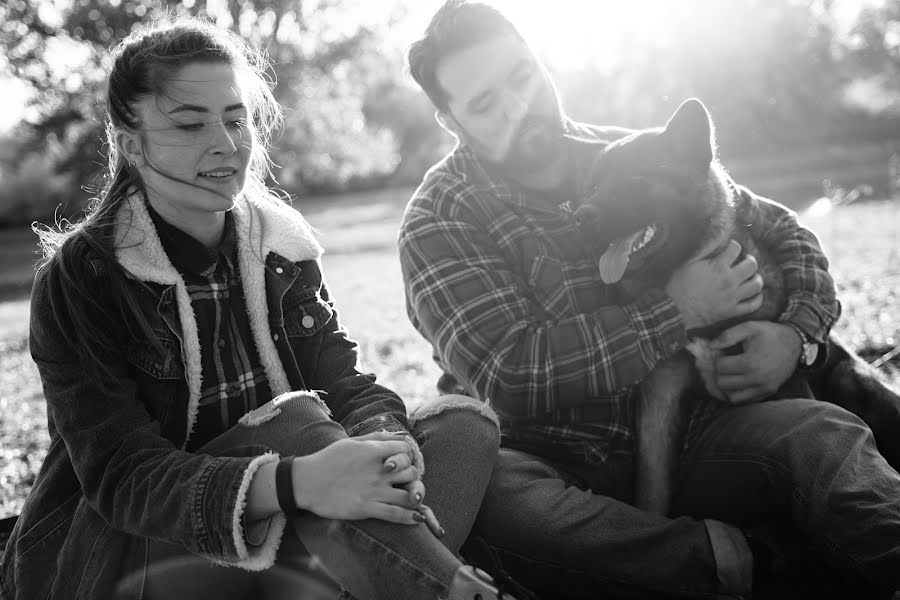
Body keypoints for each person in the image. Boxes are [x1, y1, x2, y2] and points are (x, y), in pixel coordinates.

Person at [0, 17, 517, 600]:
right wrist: (297, 481)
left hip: (291, 524)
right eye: (191, 124)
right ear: (131, 142)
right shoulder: (82, 278)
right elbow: (124, 480)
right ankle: (444, 586)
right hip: (140, 555)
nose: (225, 143)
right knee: (293, 420)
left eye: (235, 118)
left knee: (463, 426)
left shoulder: (281, 246)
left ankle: (377, 575)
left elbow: (345, 383)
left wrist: (382, 443)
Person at [399, 1, 900, 598]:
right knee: (495, 498)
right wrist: (677, 312)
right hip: (556, 462)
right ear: (451, 120)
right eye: (485, 104)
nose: (520, 106)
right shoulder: (439, 218)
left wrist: (797, 336)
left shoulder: (627, 150)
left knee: (819, 434)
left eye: (522, 75)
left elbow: (783, 232)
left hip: (696, 434)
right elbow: (511, 373)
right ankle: (754, 564)